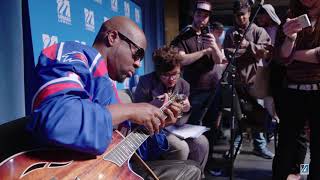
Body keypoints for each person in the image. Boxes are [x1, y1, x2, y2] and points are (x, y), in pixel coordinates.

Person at [27, 16, 202, 180]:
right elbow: (58, 119)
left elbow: (125, 154)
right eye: (138, 53)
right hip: (70, 171)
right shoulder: (75, 54)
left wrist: (156, 124)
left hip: (106, 170)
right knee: (190, 171)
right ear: (112, 37)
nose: (138, 64)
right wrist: (134, 109)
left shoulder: (110, 89)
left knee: (190, 167)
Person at [133, 46, 209, 176]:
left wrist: (186, 109)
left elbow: (181, 122)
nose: (171, 79)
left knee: (202, 143)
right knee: (181, 148)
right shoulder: (145, 82)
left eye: (175, 74)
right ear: (158, 72)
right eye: (166, 75)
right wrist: (152, 106)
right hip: (153, 131)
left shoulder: (184, 85)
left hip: (176, 129)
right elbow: (136, 116)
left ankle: (195, 177)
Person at [256, 4, 308, 177]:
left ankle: (300, 173)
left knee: (302, 142)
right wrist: (270, 95)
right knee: (286, 139)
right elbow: (276, 65)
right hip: (284, 92)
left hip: (307, 93)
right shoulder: (282, 31)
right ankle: (281, 173)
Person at [171, 0, 226, 159]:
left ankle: (208, 163)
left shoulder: (211, 36)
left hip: (214, 89)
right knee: (193, 128)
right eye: (199, 14)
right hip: (194, 90)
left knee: (212, 127)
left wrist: (214, 47)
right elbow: (181, 60)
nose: (202, 18)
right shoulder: (183, 36)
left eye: (206, 15)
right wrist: (203, 52)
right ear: (193, 14)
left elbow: (218, 60)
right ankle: (193, 163)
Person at [272, 0, 320, 179]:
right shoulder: (290, 16)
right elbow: (280, 57)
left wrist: (293, 55)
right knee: (290, 145)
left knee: (315, 148)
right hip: (292, 91)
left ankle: (303, 173)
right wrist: (290, 40)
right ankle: (297, 174)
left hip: (317, 90)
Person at [223, 0, 274, 159]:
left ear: (249, 14)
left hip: (255, 82)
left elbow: (266, 52)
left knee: (258, 115)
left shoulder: (258, 31)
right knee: (237, 118)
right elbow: (228, 53)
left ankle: (259, 146)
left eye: (243, 15)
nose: (241, 18)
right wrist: (251, 51)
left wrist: (246, 45)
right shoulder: (231, 32)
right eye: (237, 15)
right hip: (236, 82)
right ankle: (235, 146)